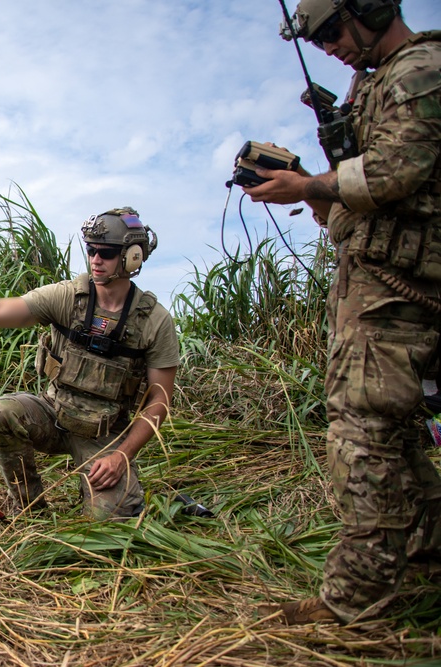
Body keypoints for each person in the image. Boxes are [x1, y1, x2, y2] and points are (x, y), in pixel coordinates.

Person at [245, 0, 441, 625]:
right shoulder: (373, 83)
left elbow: (393, 174)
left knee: (360, 442)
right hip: (375, 288)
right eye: (320, 37)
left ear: (372, 7)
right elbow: (356, 208)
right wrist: (307, 179)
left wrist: (310, 185)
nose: (330, 46)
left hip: (401, 294)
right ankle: (426, 557)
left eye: (333, 30)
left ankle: (355, 604)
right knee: (397, 438)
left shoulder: (420, 70)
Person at [0, 208, 180, 519]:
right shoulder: (67, 298)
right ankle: (30, 511)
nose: (95, 260)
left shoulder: (154, 321)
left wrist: (122, 455)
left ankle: (98, 495)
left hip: (105, 434)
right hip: (53, 414)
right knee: (1, 412)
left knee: (109, 521)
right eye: (90, 250)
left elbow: (159, 401)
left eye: (106, 252)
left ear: (132, 257)